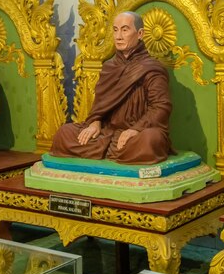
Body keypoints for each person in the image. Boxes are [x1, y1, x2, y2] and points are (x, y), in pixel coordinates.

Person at [50, 11, 173, 164]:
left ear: (140, 33)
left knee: (150, 141)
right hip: (107, 133)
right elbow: (100, 107)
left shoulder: (151, 68)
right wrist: (95, 122)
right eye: (115, 30)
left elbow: (161, 107)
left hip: (138, 133)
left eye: (125, 29)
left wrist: (135, 129)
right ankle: (112, 151)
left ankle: (109, 150)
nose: (118, 36)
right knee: (64, 134)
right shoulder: (109, 67)